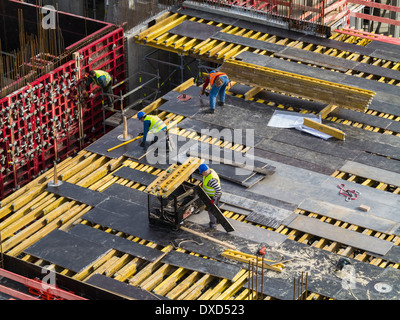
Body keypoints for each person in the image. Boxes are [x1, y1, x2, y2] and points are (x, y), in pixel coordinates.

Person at [199, 164, 222, 230]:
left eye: (202, 173)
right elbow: (205, 180)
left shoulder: (211, 180)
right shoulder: (210, 171)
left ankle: (213, 224)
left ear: (205, 172)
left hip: (214, 196)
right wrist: (202, 185)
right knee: (215, 208)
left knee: (211, 210)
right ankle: (218, 220)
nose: (202, 174)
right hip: (211, 195)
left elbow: (218, 190)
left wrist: (214, 199)